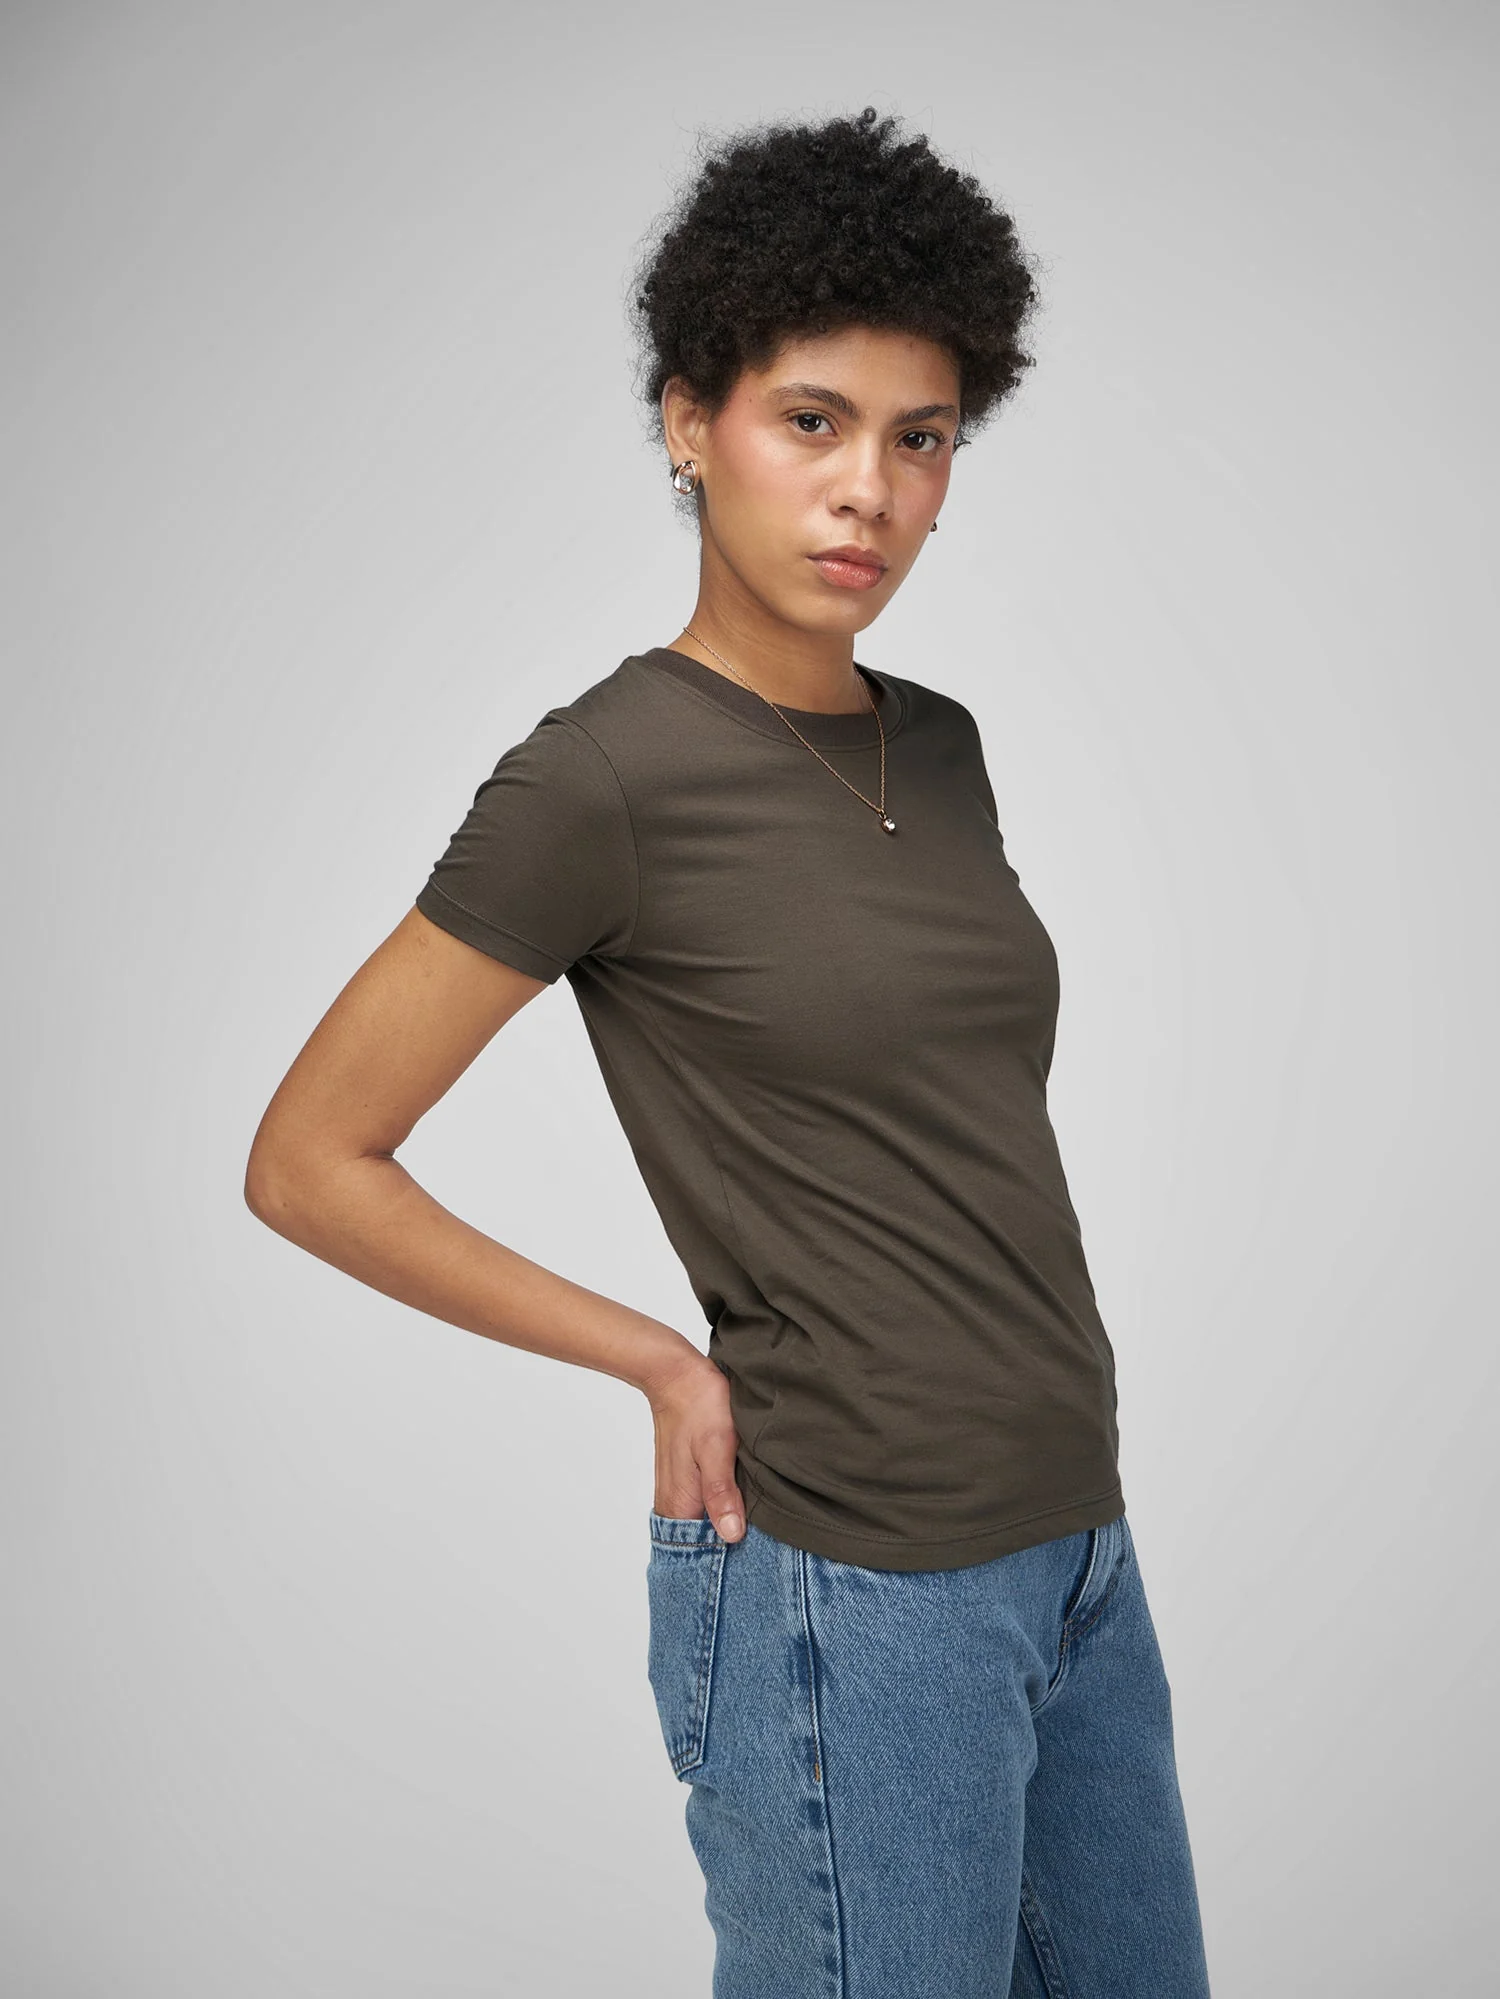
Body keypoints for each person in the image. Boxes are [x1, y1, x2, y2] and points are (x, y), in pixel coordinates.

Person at [246, 104, 1212, 1999]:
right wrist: (657, 1358)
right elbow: (308, 1160)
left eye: (921, 437)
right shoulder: (602, 778)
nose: (870, 491)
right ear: (691, 421)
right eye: (813, 421)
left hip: (1076, 1555)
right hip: (856, 1591)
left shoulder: (940, 746)